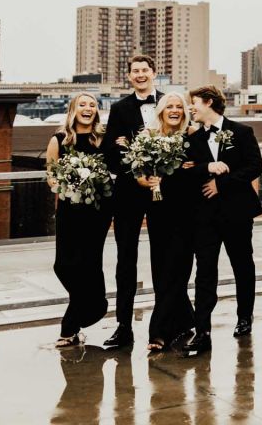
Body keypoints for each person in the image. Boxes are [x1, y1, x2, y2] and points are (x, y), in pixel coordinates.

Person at [183, 85, 262, 356]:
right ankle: (202, 329)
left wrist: (222, 184)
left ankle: (245, 317)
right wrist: (206, 171)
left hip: (238, 212)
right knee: (204, 270)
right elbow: (187, 173)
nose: (190, 108)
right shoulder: (192, 140)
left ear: (208, 102)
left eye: (193, 103)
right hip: (204, 215)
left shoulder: (242, 132)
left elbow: (255, 167)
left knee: (242, 265)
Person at [101, 54, 165, 349]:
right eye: (135, 71)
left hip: (164, 192)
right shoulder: (119, 108)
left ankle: (164, 325)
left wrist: (161, 177)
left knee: (164, 257)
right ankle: (123, 327)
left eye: (145, 70)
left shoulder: (169, 103)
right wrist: (136, 173)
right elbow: (109, 153)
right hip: (128, 192)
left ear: (154, 73)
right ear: (129, 76)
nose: (140, 75)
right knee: (125, 260)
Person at [47, 93, 113, 347]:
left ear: (96, 111)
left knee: (88, 264)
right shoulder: (60, 139)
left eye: (92, 105)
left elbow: (113, 167)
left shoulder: (102, 138)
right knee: (63, 265)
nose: (88, 109)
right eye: (82, 105)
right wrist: (64, 183)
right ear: (73, 109)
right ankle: (96, 303)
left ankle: (69, 329)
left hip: (97, 211)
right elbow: (51, 174)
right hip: (69, 209)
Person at [144, 93, 198, 353]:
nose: (175, 110)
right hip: (158, 212)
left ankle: (159, 331)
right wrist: (149, 182)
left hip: (187, 212)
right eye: (170, 107)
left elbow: (198, 171)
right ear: (162, 111)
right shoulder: (149, 138)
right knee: (162, 268)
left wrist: (191, 169)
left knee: (179, 268)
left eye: (179, 107)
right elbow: (139, 174)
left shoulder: (193, 138)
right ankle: (186, 318)